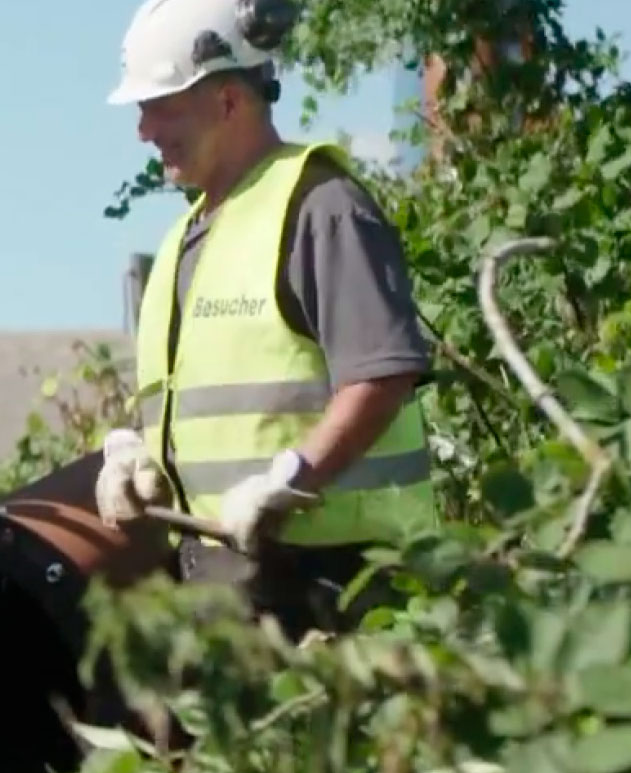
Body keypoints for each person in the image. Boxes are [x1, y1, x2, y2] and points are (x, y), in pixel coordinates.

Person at [94, 0, 441, 644]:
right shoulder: (184, 240)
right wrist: (141, 457)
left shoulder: (321, 206)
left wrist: (292, 478)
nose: (143, 130)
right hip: (230, 585)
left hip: (342, 588)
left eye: (160, 105)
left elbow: (382, 375)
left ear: (228, 102)